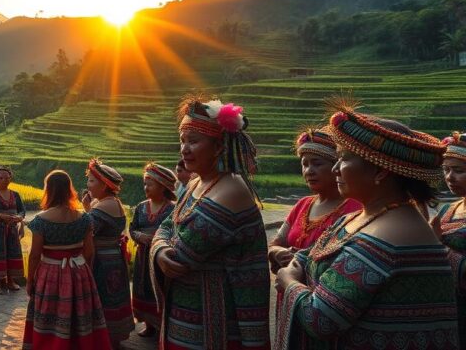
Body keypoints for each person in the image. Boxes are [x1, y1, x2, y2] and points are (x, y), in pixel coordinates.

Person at [275, 102, 459, 349]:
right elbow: (311, 256)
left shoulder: (391, 233)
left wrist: (289, 282)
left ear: (380, 171)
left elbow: (320, 319)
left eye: (343, 158)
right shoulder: (363, 217)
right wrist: (299, 265)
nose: (335, 168)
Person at [151, 96, 270, 350]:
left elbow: (182, 253)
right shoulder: (198, 182)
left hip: (214, 324)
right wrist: (161, 248)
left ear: (218, 147)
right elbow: (168, 225)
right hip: (185, 316)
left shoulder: (230, 191)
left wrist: (160, 245)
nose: (184, 149)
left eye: (193, 141)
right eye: (182, 140)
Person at [24, 170, 111, 350]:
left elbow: (34, 255)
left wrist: (30, 279)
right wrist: (84, 272)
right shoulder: (84, 218)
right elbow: (89, 251)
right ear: (69, 190)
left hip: (50, 273)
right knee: (79, 314)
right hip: (79, 272)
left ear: (48, 190)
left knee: (50, 314)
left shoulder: (40, 220)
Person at [268, 128, 361, 274]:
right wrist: (278, 252)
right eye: (305, 164)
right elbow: (275, 244)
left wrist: (303, 259)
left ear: (336, 167)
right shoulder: (302, 204)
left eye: (317, 164)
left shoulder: (355, 209)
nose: (309, 171)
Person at [81, 159, 134, 347]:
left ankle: (105, 337)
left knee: (104, 296)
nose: (88, 185)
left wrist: (85, 210)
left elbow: (85, 230)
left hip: (103, 260)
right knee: (114, 295)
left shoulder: (103, 206)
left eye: (92, 181)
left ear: (104, 185)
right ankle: (113, 335)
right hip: (112, 257)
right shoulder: (109, 202)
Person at [128, 162, 176, 339]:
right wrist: (139, 237)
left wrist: (159, 239)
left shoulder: (172, 209)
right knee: (142, 288)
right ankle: (149, 324)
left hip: (160, 258)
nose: (146, 187)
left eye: (150, 184)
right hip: (142, 256)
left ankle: (162, 325)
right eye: (145, 183)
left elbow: (175, 231)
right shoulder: (141, 207)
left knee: (161, 289)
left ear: (163, 186)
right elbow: (132, 229)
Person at [433, 131, 466, 346]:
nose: (449, 177)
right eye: (446, 170)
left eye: (459, 171)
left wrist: (438, 247)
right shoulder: (447, 210)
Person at [0, 166, 26, 294]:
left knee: (12, 253)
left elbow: (22, 211)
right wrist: (0, 216)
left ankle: (10, 281)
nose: (3, 180)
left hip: (12, 230)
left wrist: (19, 217)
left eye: (6, 177)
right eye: (0, 178)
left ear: (10, 179)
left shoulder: (15, 195)